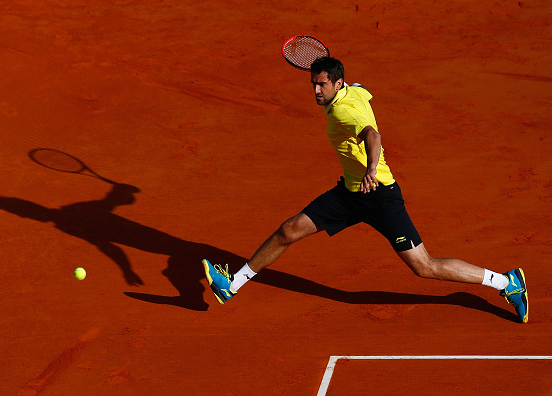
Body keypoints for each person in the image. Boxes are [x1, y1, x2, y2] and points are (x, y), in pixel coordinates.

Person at [203, 57, 528, 323]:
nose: (316, 90)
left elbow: (372, 134)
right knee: (288, 230)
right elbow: (363, 89)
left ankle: (506, 282)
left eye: (322, 84)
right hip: (348, 194)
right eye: (313, 84)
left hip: (380, 195)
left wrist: (372, 168)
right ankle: (232, 284)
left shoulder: (345, 110)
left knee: (424, 266)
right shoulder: (353, 91)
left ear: (337, 84)